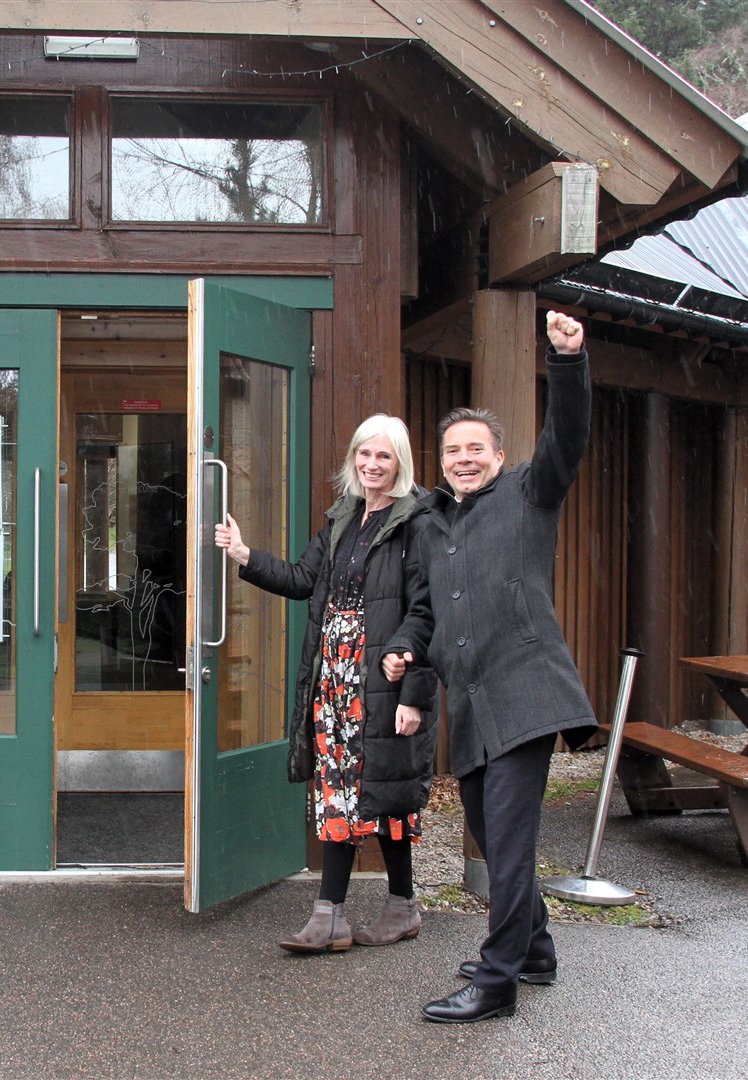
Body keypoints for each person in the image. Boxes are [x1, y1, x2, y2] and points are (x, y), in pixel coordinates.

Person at [383, 310, 597, 1024]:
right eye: (451, 450)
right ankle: (534, 950)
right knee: (490, 832)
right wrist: (409, 667)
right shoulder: (430, 523)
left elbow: (566, 436)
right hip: (471, 705)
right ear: (440, 460)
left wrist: (566, 360)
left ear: (498, 456)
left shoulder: (530, 495)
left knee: (506, 841)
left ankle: (498, 978)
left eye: (475, 448)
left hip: (526, 695)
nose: (463, 459)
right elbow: (424, 616)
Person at [215, 414, 437, 954]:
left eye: (384, 456)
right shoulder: (345, 518)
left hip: (382, 677)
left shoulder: (418, 523)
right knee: (341, 787)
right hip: (333, 679)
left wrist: (411, 687)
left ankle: (395, 906)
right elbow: (302, 579)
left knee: (387, 789)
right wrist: (244, 555)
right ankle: (336, 914)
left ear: (400, 462)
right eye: (365, 454)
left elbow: (429, 610)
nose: (372, 465)